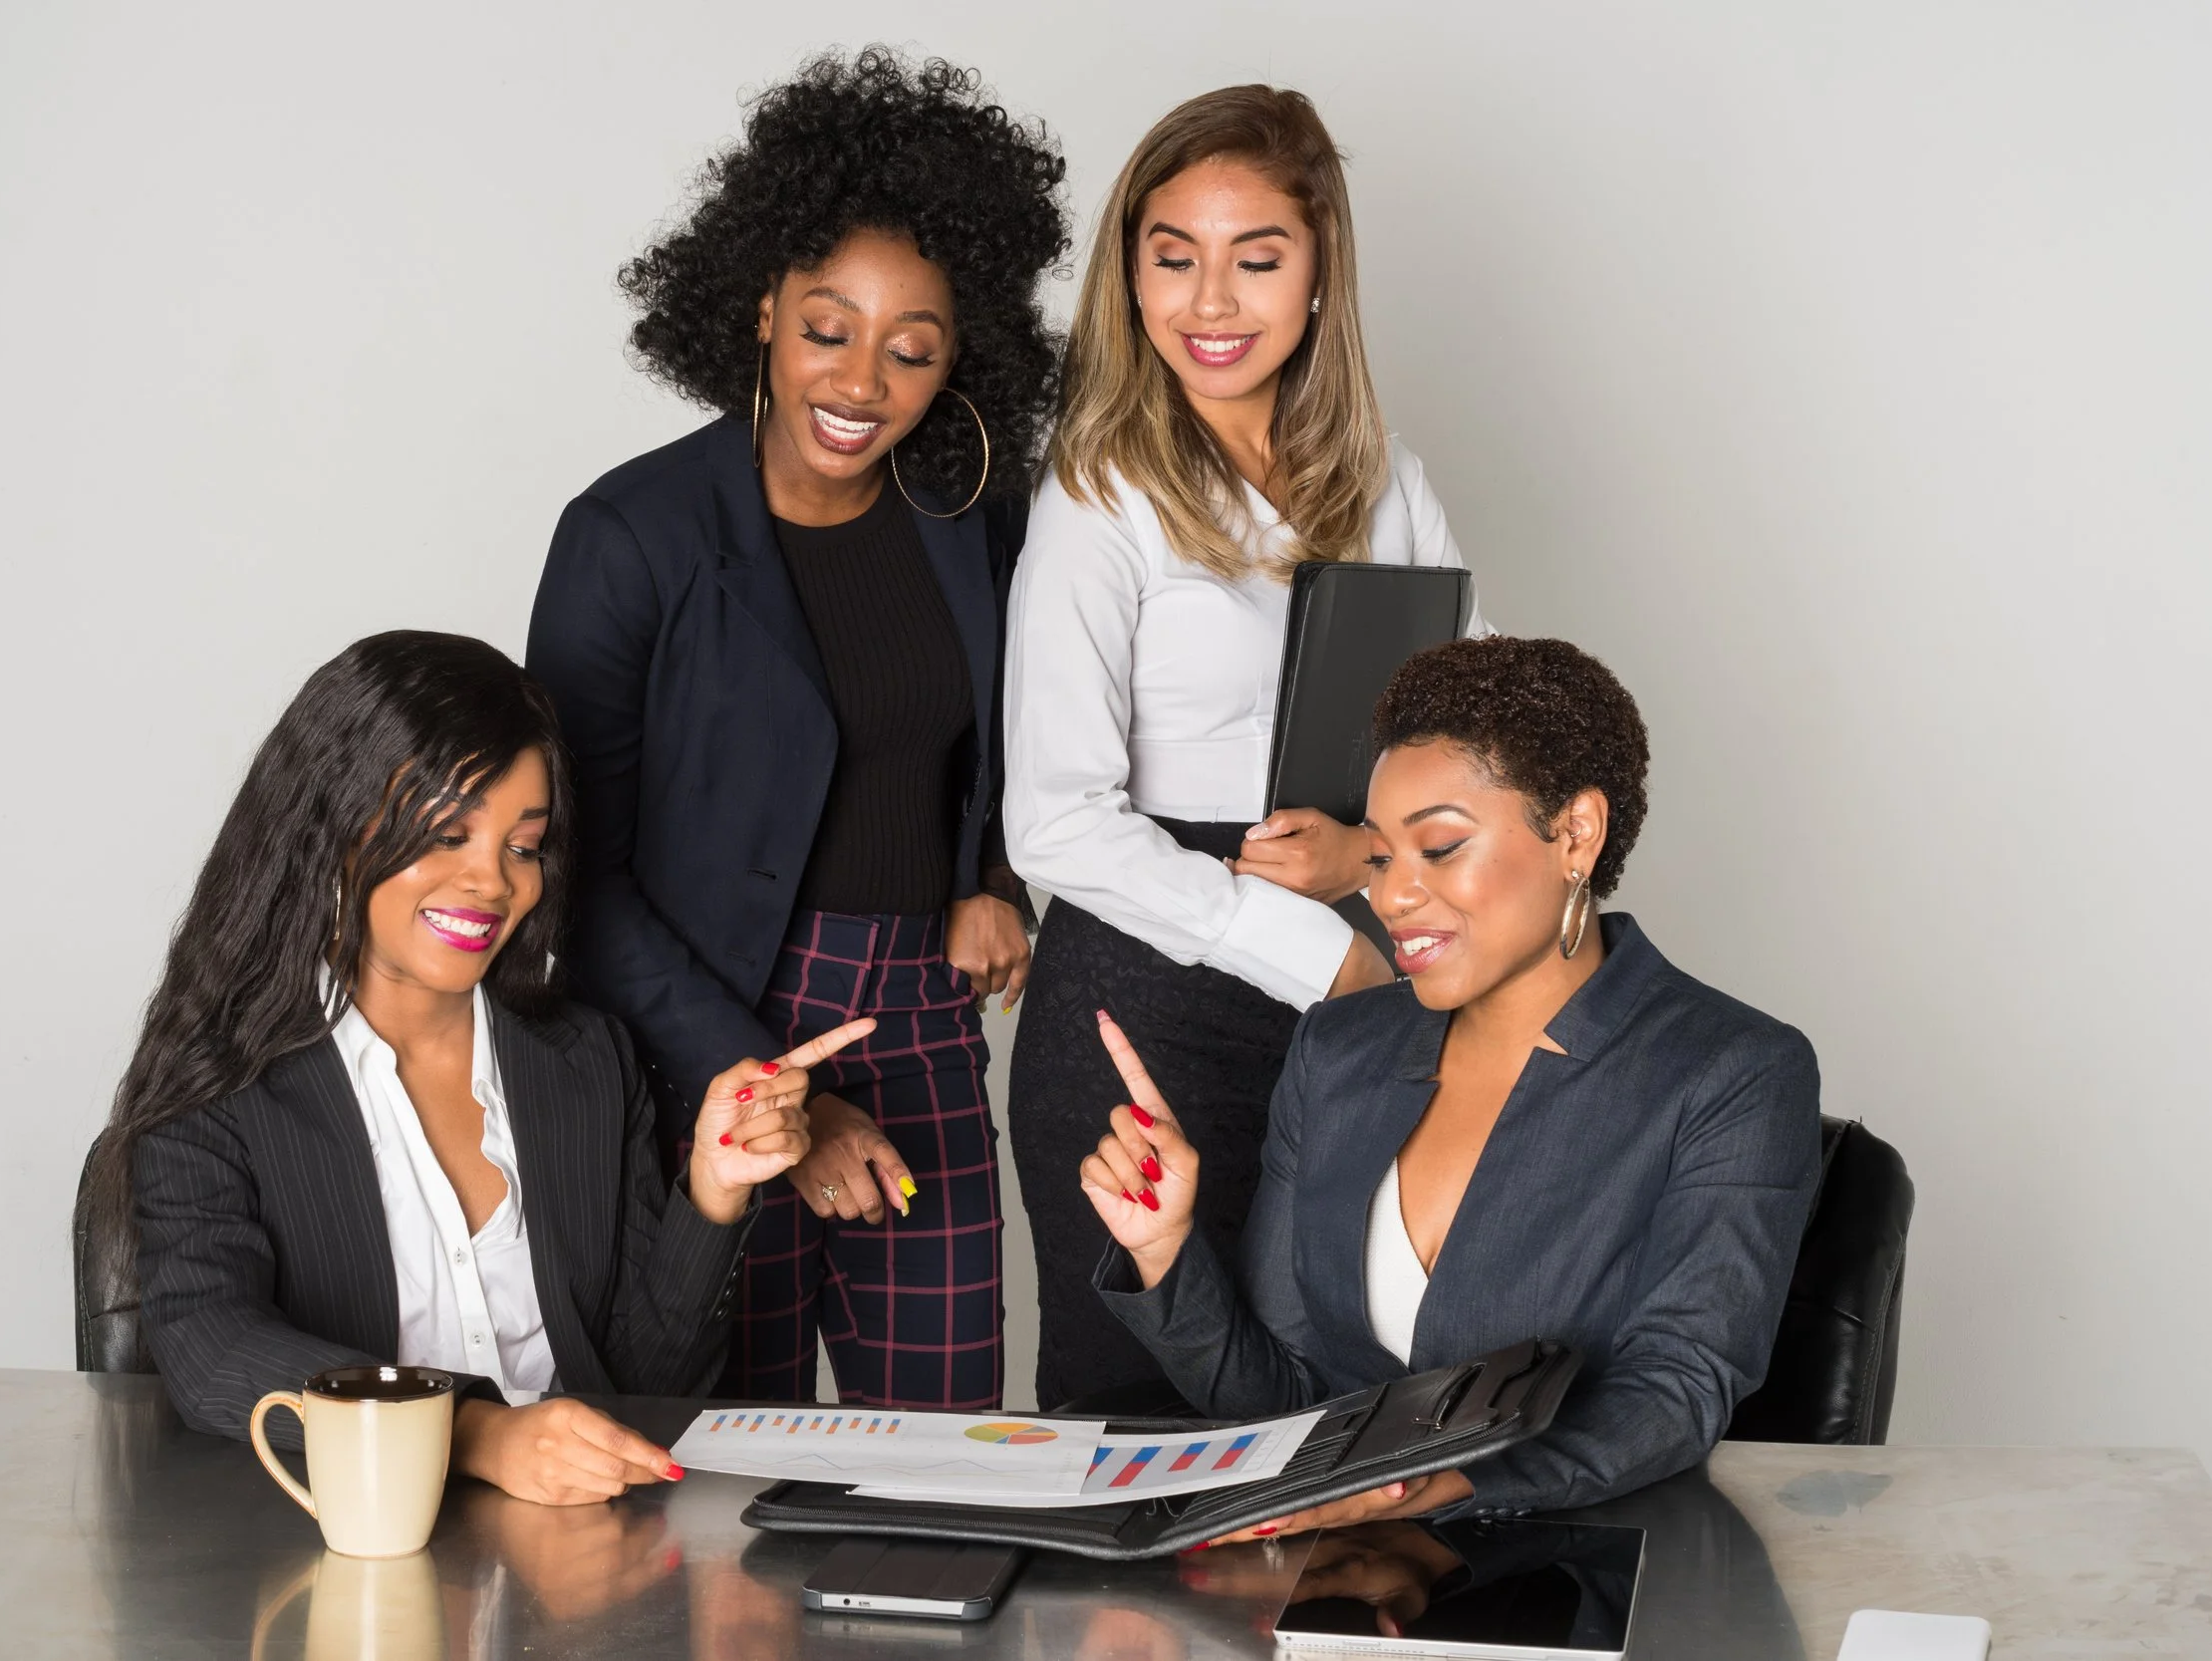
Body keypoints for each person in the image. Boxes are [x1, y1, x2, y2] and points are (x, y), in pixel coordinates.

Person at [526, 49, 1070, 1410]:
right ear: (761, 303)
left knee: (942, 1452)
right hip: (708, 1036)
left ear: (962, 358)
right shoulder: (629, 537)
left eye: (914, 347)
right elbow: (570, 874)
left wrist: (988, 877)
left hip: (924, 1021)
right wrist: (771, 1083)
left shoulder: (973, 521)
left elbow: (999, 743)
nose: (862, 379)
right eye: (829, 325)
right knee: (722, 1458)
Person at [82, 632, 870, 1506]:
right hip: (356, 1551)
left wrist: (713, 1189)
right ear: (335, 823)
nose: (491, 881)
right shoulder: (222, 1080)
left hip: (582, 1567)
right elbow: (212, 1346)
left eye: (522, 845)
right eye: (447, 832)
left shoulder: (586, 1061)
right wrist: (478, 1433)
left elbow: (644, 1377)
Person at [1077, 637, 1820, 1532]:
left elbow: (1677, 1391)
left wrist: (1425, 1492)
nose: (1392, 896)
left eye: (1439, 847)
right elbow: (1281, 1398)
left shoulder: (1729, 1070)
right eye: (1383, 857)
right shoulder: (1337, 1050)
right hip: (1349, 1591)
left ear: (1576, 832)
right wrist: (1166, 1251)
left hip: (1571, 1579)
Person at [1002, 84, 1484, 1408]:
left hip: (1365, 988)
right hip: (1146, 995)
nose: (1210, 300)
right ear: (1131, 273)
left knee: (1339, 1400)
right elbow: (1049, 822)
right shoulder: (1099, 491)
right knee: (1139, 1420)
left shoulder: (1387, 478)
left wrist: (1373, 854)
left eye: (1256, 258)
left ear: (1320, 270)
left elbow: (1484, 735)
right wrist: (1310, 946)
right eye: (1174, 256)